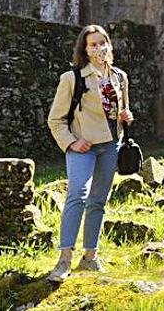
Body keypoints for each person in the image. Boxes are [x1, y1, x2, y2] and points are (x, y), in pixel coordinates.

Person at [45, 25, 134, 282]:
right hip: (83, 146)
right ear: (84, 49)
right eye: (93, 45)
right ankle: (64, 260)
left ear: (109, 45)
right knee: (77, 196)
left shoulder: (119, 77)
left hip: (110, 145)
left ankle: (91, 257)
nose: (99, 49)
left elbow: (121, 113)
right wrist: (72, 142)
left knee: (98, 201)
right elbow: (55, 120)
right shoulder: (71, 78)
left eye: (102, 43)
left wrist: (127, 117)